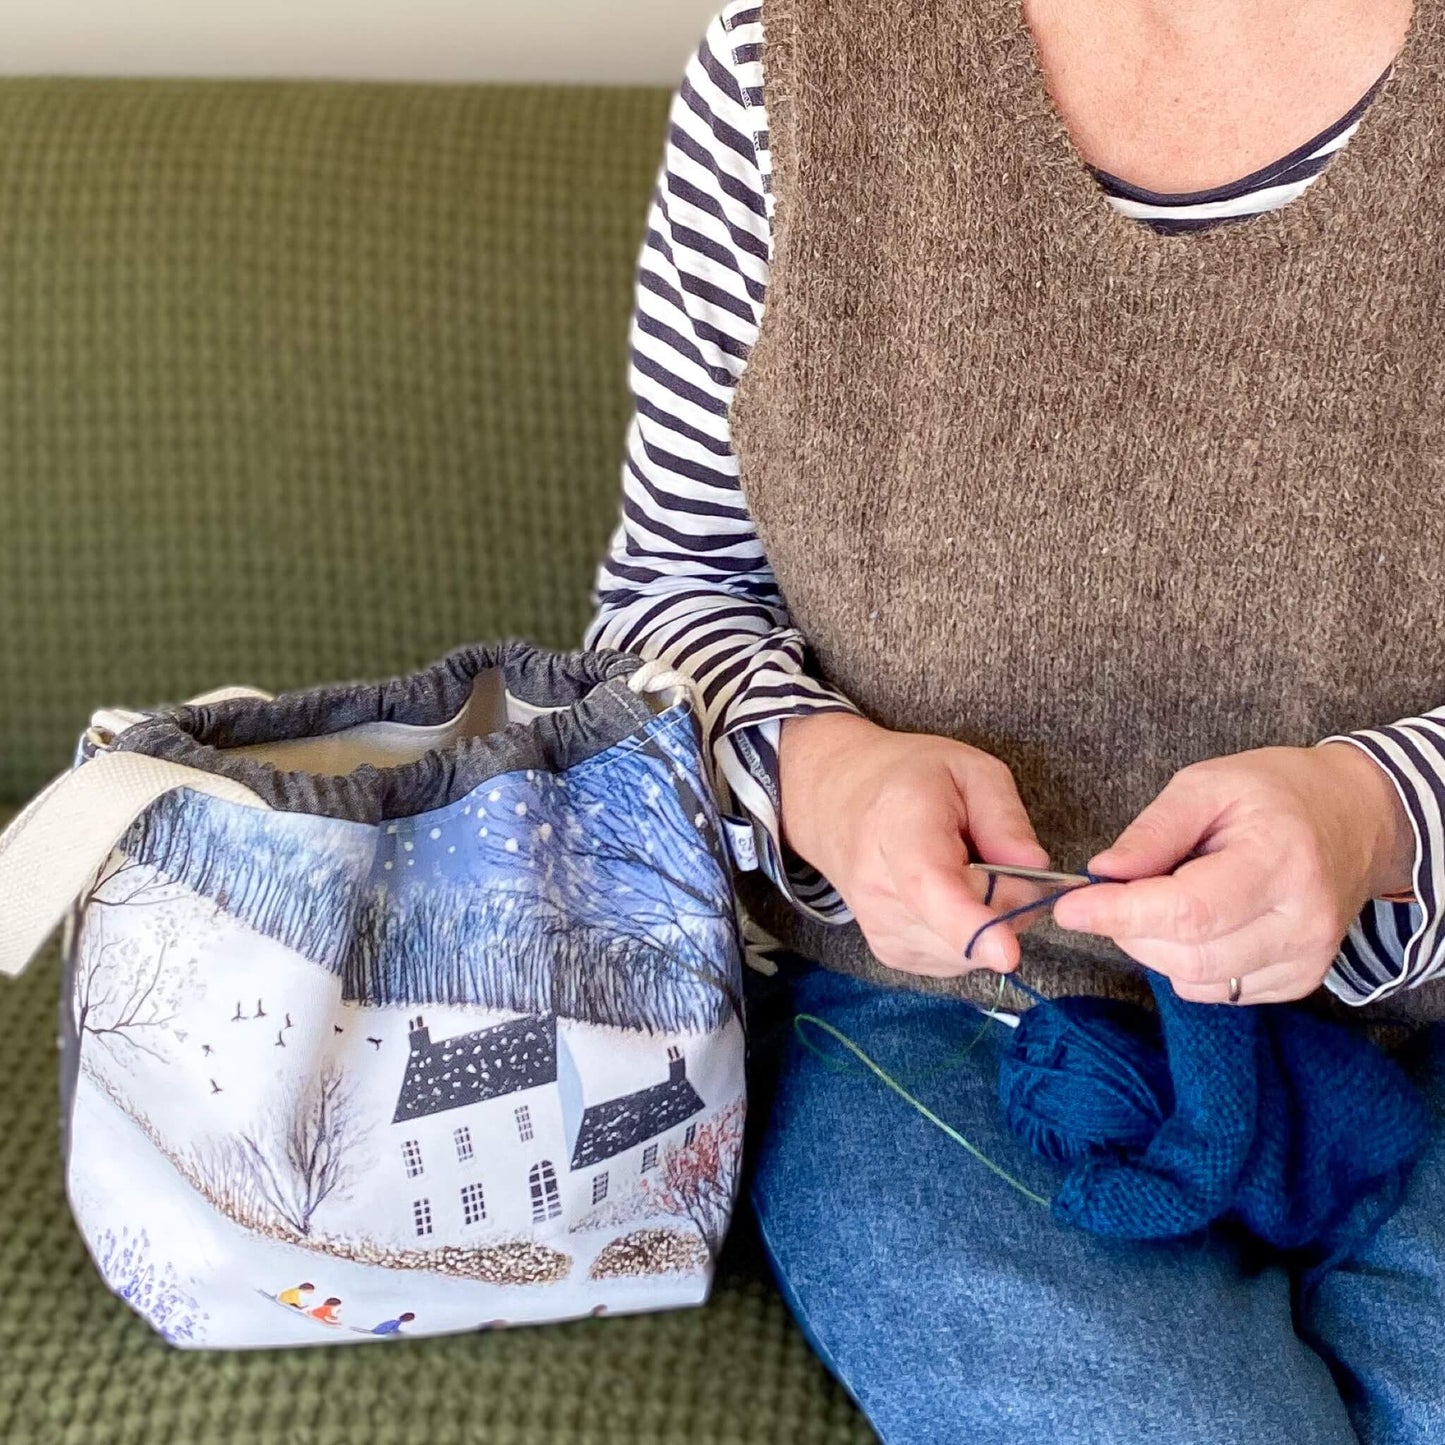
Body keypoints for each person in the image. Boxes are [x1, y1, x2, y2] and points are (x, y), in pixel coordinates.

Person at [583, 0, 1445, 1439]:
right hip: (947, 1022)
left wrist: (1379, 816)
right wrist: (834, 783)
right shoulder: (786, 65)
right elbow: (666, 601)